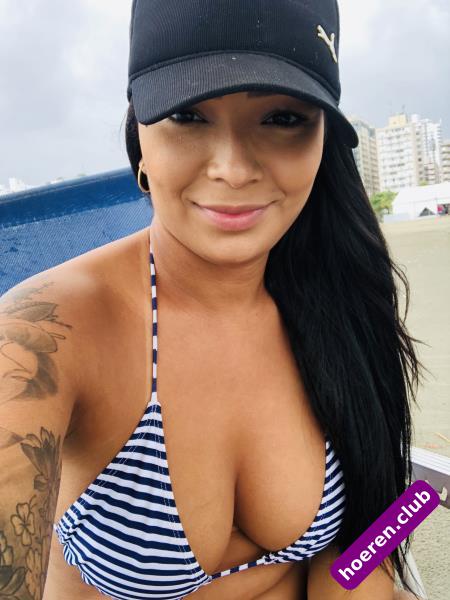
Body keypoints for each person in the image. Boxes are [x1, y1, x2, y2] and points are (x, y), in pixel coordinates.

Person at [0, 1, 425, 598]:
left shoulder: (348, 296)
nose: (232, 169)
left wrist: (364, 570)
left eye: (282, 118)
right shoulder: (42, 338)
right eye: (187, 115)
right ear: (140, 138)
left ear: (323, 139)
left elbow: (373, 528)